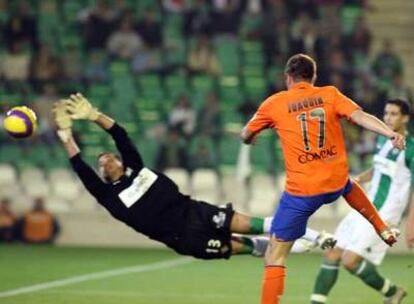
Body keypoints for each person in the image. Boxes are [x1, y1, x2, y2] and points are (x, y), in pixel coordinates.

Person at [52, 93, 336, 260]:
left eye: (109, 157)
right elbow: (79, 166)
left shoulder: (136, 167)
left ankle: (314, 236)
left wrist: (94, 116)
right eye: (101, 164)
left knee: (257, 224)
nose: (106, 162)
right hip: (183, 238)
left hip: (195, 211)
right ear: (101, 174)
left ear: (118, 159)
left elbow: (120, 135)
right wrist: (65, 135)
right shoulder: (107, 195)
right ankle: (293, 244)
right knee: (248, 247)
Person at [240, 54, 404, 304]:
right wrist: (390, 132)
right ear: (313, 77)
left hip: (302, 192)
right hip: (334, 183)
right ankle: (381, 226)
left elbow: (245, 134)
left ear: (288, 77)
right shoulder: (329, 94)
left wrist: (252, 137)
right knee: (348, 185)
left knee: (275, 254)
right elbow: (360, 116)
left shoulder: (274, 103)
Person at [310, 99, 413, 304]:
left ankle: (392, 291)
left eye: (393, 114)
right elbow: (378, 170)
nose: (388, 118)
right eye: (386, 113)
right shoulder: (384, 140)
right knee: (332, 252)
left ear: (405, 118)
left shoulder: (409, 149)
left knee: (350, 260)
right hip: (365, 207)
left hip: (385, 213)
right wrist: (356, 180)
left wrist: (411, 224)